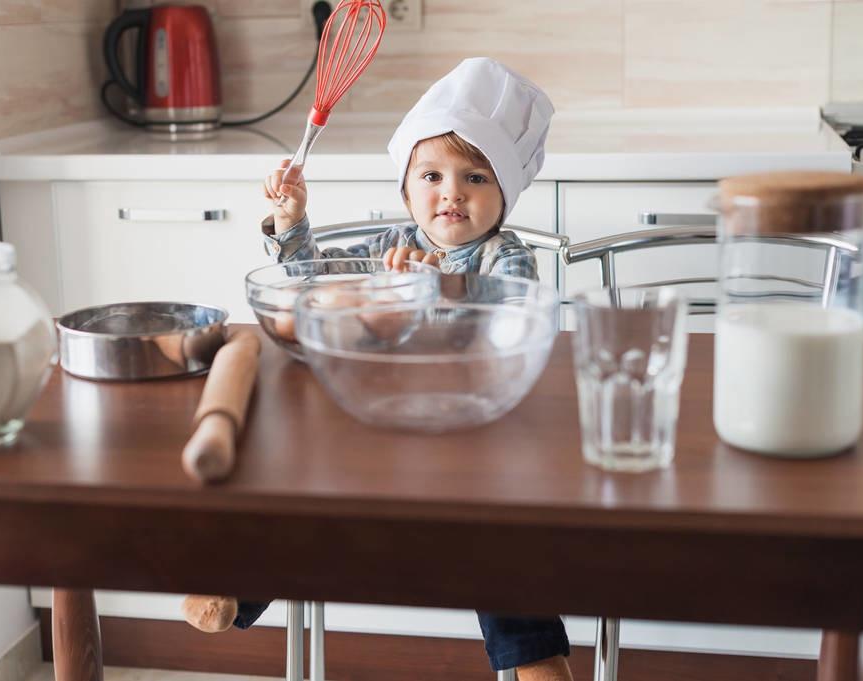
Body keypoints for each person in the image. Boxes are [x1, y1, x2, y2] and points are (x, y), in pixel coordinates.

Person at [183, 58, 573, 681]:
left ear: (505, 194)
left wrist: (438, 291)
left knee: (497, 539)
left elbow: (513, 323)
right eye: (432, 175)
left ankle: (536, 660)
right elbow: (310, 280)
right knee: (304, 493)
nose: (451, 192)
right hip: (376, 427)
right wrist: (291, 221)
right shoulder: (385, 244)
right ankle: (237, 584)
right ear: (406, 188)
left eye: (475, 176)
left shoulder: (507, 256)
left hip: (477, 439)